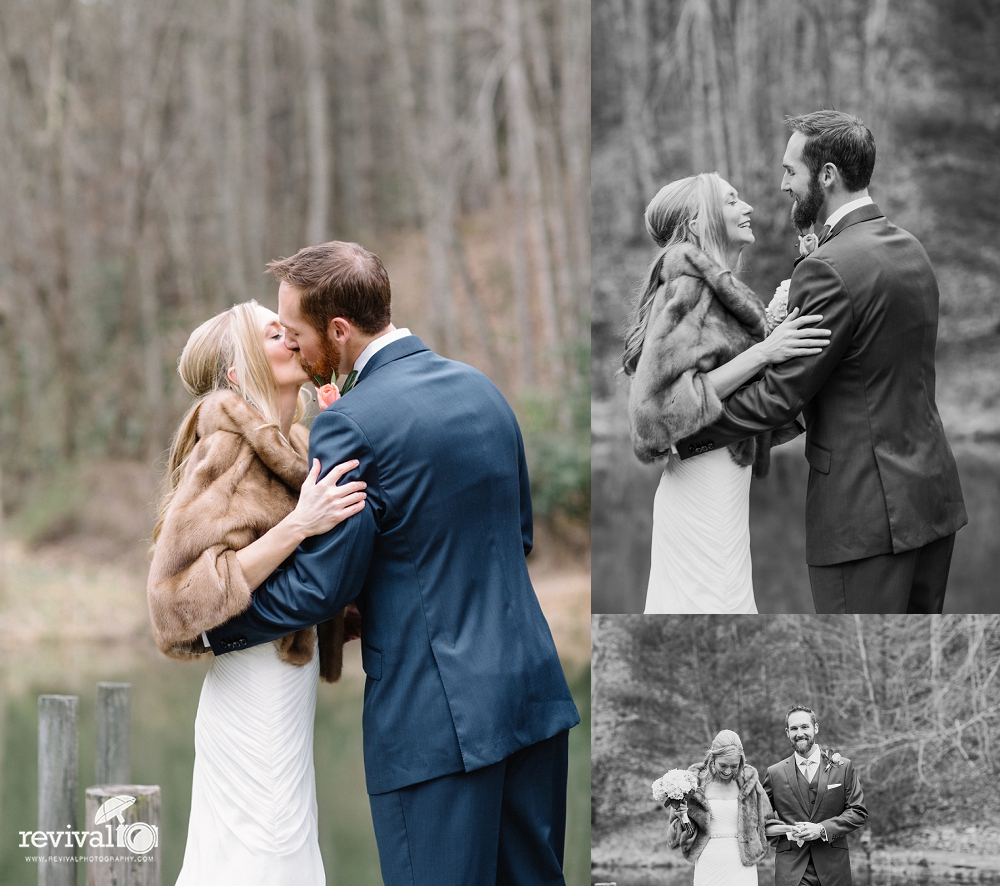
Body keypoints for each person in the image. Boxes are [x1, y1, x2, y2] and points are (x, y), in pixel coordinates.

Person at [206, 241, 581, 885]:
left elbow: (324, 588)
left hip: (435, 727)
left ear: (339, 331)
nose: (293, 348)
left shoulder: (348, 424)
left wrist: (218, 620)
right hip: (534, 702)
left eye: (296, 334)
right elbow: (519, 537)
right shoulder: (481, 388)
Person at [675, 111, 968, 613]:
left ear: (827, 175)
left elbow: (778, 397)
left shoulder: (827, 268)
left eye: (792, 171)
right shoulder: (911, 249)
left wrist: (687, 431)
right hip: (933, 503)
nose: (783, 183)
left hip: (865, 520)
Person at [147, 301, 368, 885]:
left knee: (282, 846)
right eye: (275, 333)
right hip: (252, 684)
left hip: (286, 682)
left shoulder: (292, 445)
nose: (293, 338)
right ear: (241, 372)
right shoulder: (226, 450)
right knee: (264, 851)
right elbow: (173, 601)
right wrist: (300, 523)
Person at [623, 172, 830, 613]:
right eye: (732, 201)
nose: (747, 207)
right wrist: (764, 354)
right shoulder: (689, 287)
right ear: (700, 222)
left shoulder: (717, 292)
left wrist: (807, 275)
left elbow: (747, 371)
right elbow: (656, 411)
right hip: (702, 489)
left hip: (725, 486)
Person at [762, 706, 868, 886]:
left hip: (834, 868)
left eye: (805, 727)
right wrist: (787, 830)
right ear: (787, 732)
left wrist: (821, 829)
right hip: (792, 871)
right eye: (794, 728)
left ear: (815, 728)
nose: (799, 733)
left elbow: (858, 812)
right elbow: (759, 820)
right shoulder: (775, 773)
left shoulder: (842, 767)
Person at [665, 729, 774, 886]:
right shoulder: (692, 783)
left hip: (742, 862)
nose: (728, 771)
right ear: (712, 758)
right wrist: (682, 816)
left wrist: (791, 830)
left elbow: (767, 823)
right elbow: (677, 836)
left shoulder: (750, 783)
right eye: (723, 765)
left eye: (734, 766)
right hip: (709, 860)